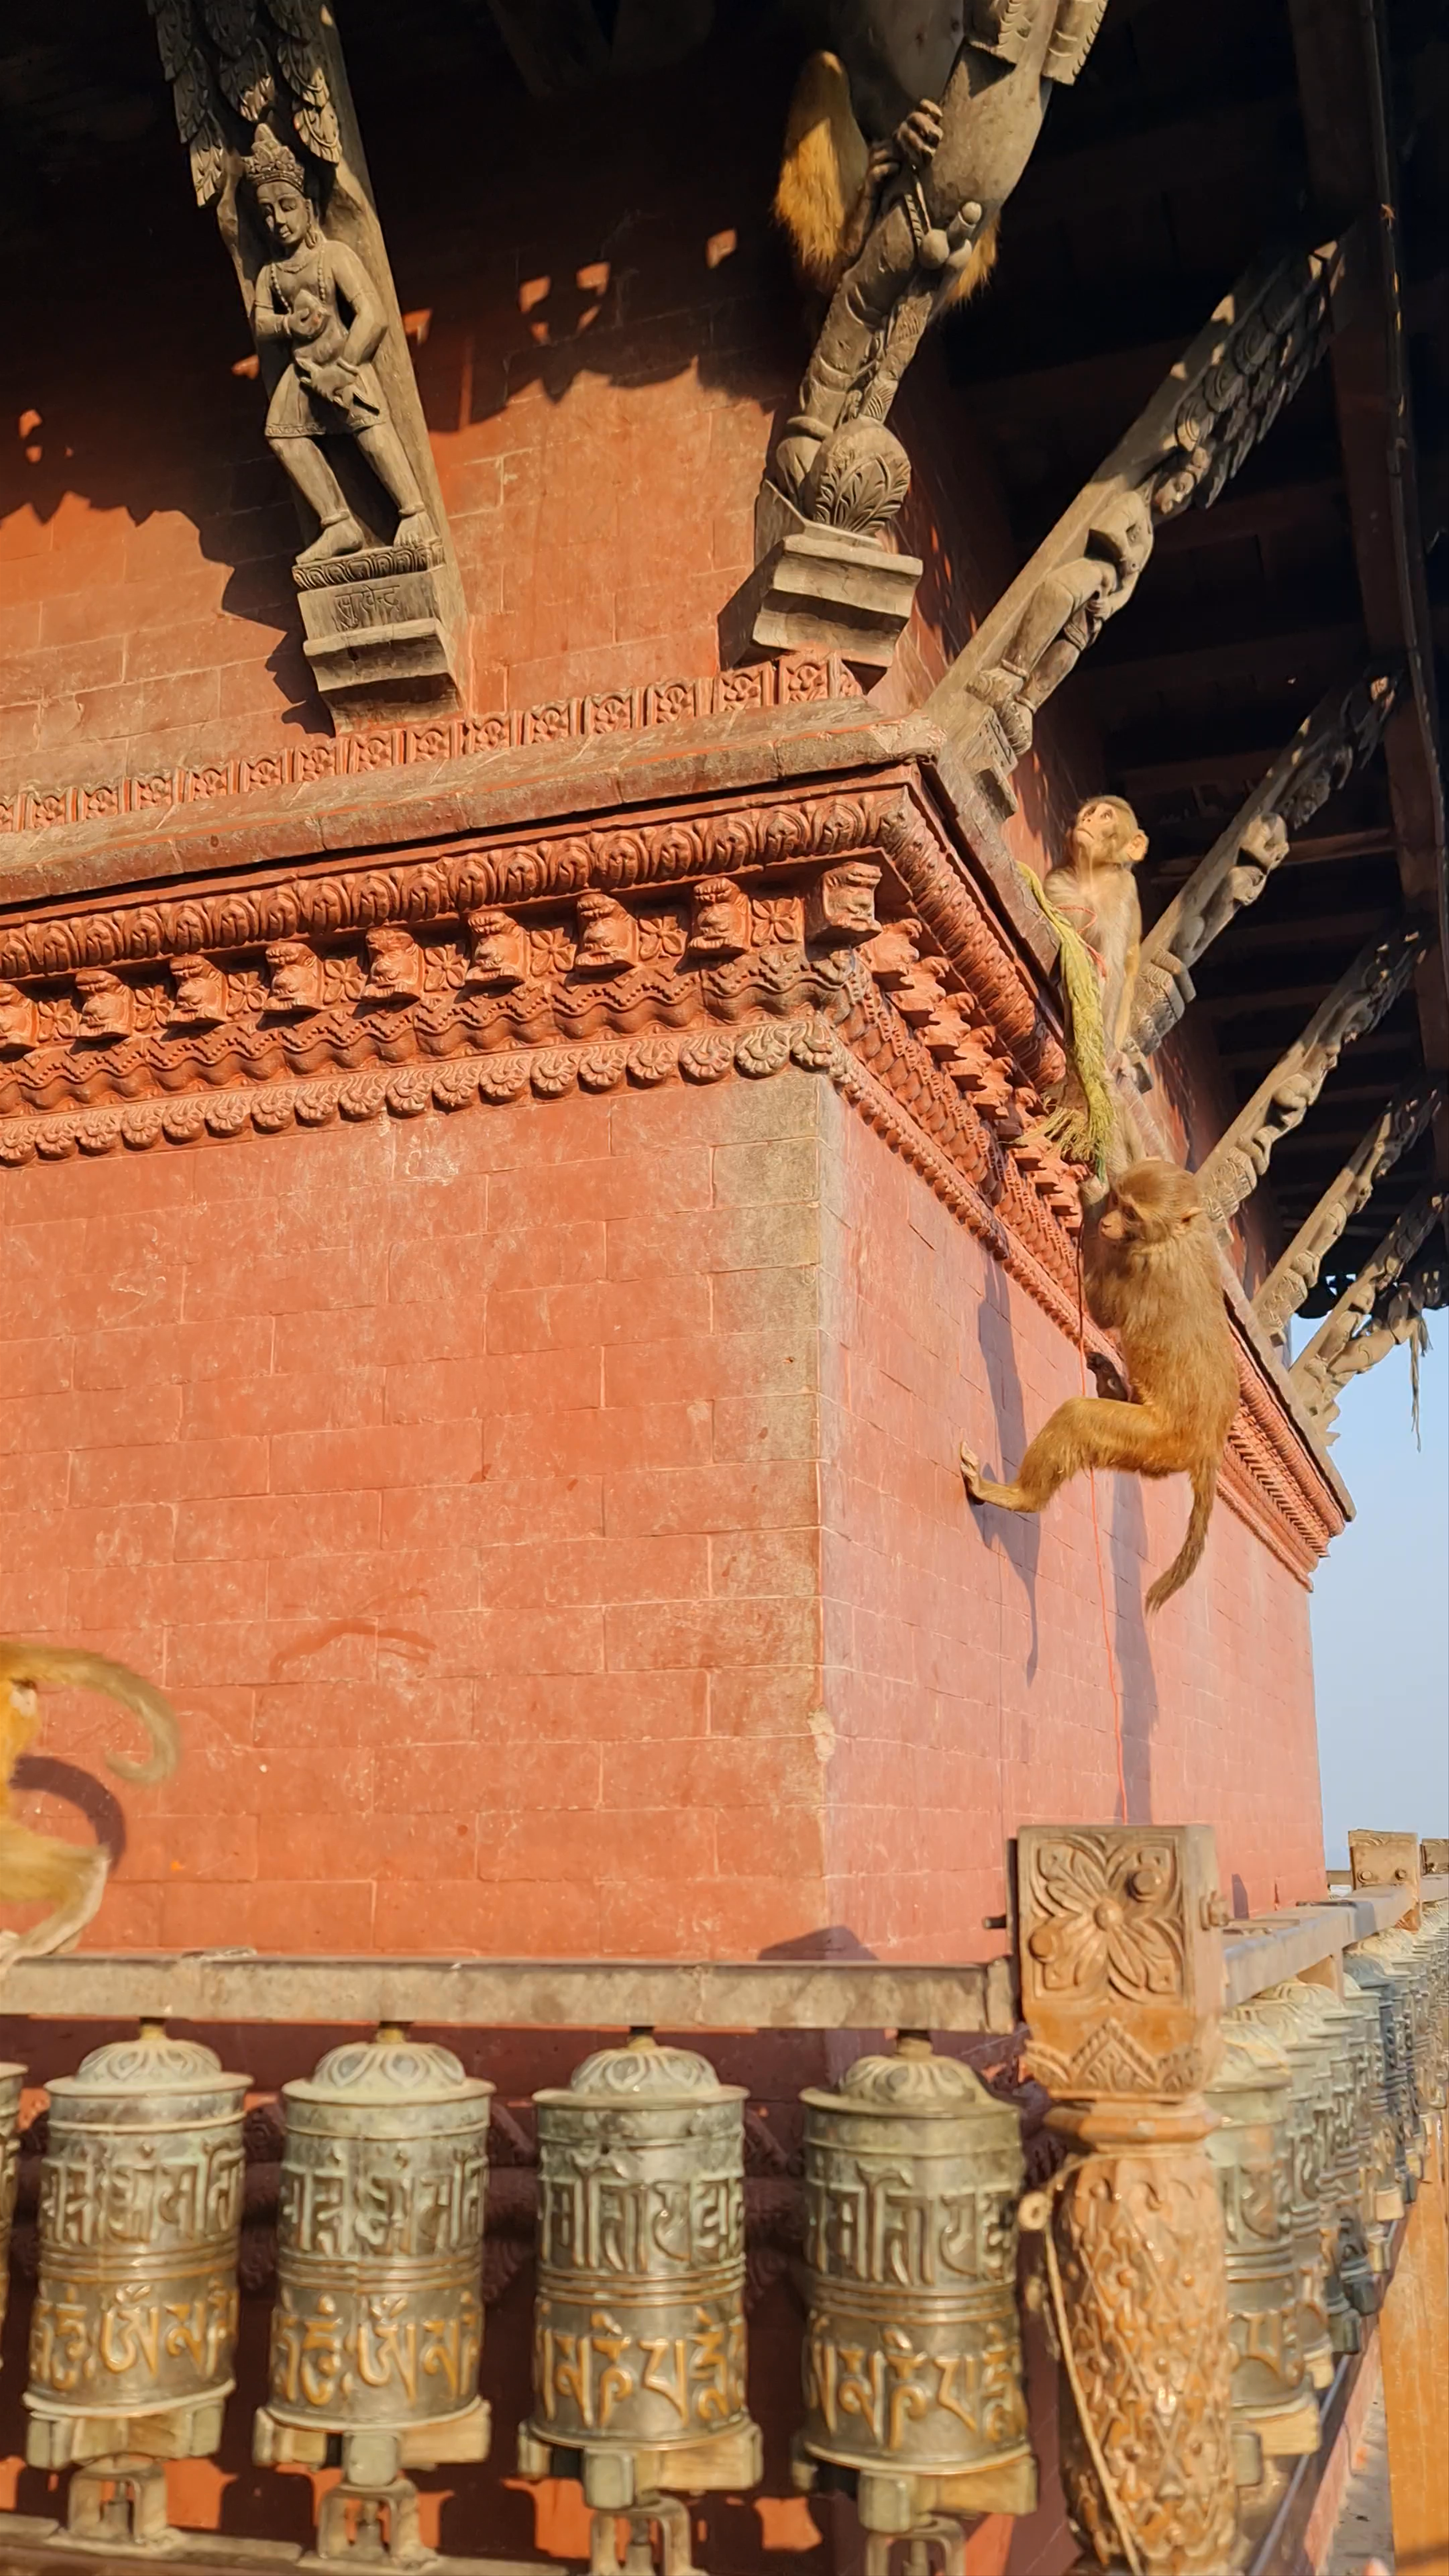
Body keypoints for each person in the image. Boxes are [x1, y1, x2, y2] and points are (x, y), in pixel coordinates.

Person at [245, 131, 435, 566]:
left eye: (288, 207)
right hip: (305, 369)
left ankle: (413, 511)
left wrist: (346, 366)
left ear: (310, 208)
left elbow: (374, 315)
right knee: (282, 435)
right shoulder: (271, 275)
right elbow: (260, 322)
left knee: (370, 431)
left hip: (343, 361)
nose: (279, 220)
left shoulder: (335, 257)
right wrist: (286, 323)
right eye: (268, 212)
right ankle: (337, 522)